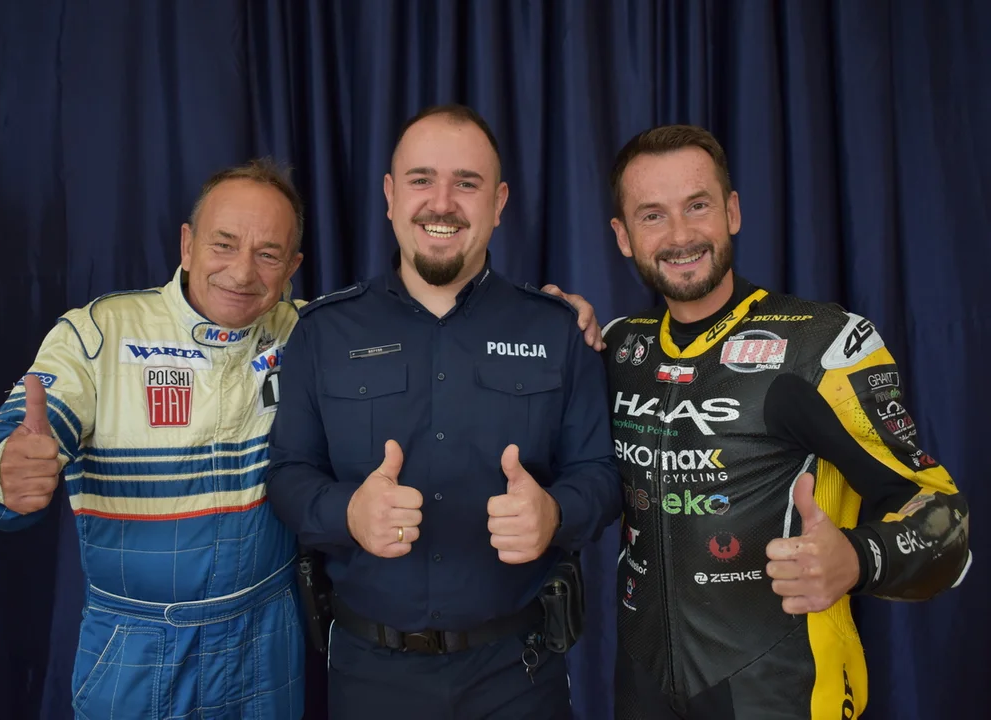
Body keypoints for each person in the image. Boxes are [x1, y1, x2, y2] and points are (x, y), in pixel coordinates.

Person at [597, 124, 971, 719]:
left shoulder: (822, 347)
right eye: (652, 215)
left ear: (733, 211)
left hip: (782, 692)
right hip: (641, 691)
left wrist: (859, 557)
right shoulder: (618, 349)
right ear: (623, 236)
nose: (680, 235)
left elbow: (945, 518)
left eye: (698, 206)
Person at [264, 103, 623, 720]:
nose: (442, 203)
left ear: (499, 202)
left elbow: (601, 476)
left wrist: (555, 513)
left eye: (467, 183)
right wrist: (348, 512)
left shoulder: (557, 329)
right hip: (368, 677)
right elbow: (288, 474)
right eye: (421, 179)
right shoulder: (323, 332)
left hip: (519, 675)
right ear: (389, 195)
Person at [0, 159, 311, 719]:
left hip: (266, 640)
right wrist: (3, 468)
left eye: (267, 254)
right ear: (188, 244)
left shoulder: (311, 333)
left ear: (292, 266)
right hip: (137, 646)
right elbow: (18, 432)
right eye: (223, 244)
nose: (241, 272)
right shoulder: (99, 332)